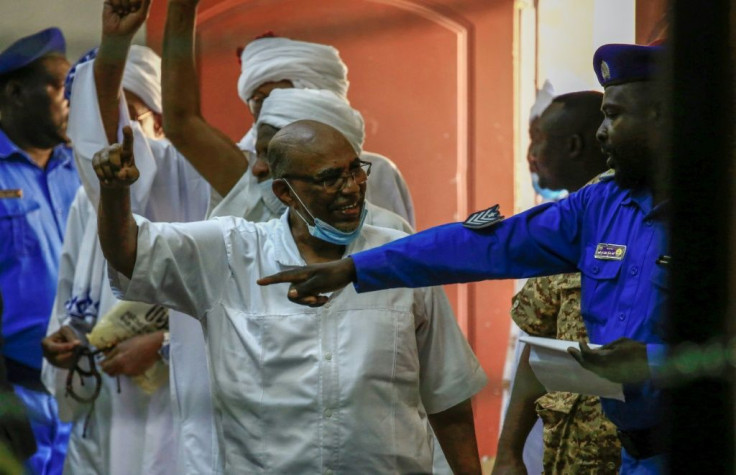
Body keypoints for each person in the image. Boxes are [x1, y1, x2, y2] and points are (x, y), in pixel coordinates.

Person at [260, 43, 669, 474]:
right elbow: (484, 245)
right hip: (634, 456)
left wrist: (656, 362)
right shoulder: (604, 205)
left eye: (615, 115)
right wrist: (355, 268)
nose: (602, 131)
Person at [92, 116, 487, 473]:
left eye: (356, 170)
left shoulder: (400, 258)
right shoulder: (230, 252)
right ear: (284, 192)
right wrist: (114, 194)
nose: (352, 188)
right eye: (331, 177)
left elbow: (447, 393)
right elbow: (131, 254)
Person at [160, 4, 411, 472]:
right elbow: (179, 121)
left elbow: (409, 287)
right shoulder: (255, 172)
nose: (262, 118)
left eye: (275, 100)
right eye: (256, 105)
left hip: (362, 378)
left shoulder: (382, 184)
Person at [40, 1, 210, 473]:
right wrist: (64, 338)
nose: (119, 134)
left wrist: (160, 343)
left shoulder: (193, 184)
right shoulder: (85, 200)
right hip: (103, 401)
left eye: (130, 117)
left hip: (172, 403)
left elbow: (225, 305)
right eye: (103, 124)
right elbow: (72, 290)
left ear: (158, 120)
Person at [494, 91, 621, 474]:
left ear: (575, 145)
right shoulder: (562, 227)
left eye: (539, 139)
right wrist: (508, 451)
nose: (531, 153)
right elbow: (535, 344)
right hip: (567, 454)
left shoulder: (636, 215)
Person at [204, 18, 415, 224]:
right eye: (258, 100)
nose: (268, 107)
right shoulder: (244, 166)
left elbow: (400, 249)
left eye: (278, 97)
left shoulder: (379, 171)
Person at [0, 27, 77, 474]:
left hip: (85, 388)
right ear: (15, 92)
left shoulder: (84, 170)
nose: (70, 98)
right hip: (16, 391)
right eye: (57, 86)